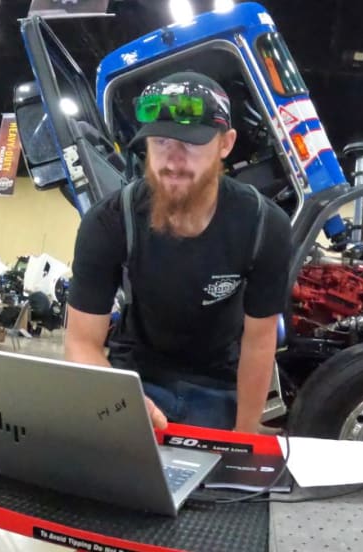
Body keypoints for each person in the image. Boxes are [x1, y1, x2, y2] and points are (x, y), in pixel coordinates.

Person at [65, 72, 292, 433]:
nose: (172, 161)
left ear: (226, 143)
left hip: (217, 384)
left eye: (191, 144)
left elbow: (260, 340)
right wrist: (122, 401)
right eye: (160, 142)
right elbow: (80, 341)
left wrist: (245, 435)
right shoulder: (110, 222)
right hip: (133, 377)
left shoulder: (264, 226)